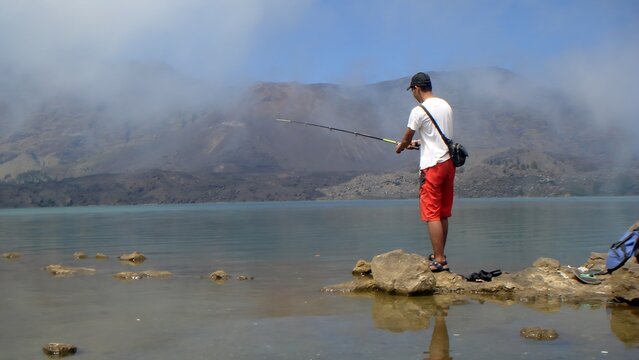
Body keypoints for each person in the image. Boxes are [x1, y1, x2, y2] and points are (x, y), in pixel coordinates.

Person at [396, 72, 455, 272]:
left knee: (432, 214)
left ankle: (439, 260)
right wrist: (418, 144)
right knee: (443, 212)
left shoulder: (419, 110)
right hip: (448, 164)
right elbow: (438, 137)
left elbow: (405, 137)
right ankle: (440, 254)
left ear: (416, 89)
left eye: (412, 91)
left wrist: (402, 146)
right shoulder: (445, 106)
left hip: (432, 166)